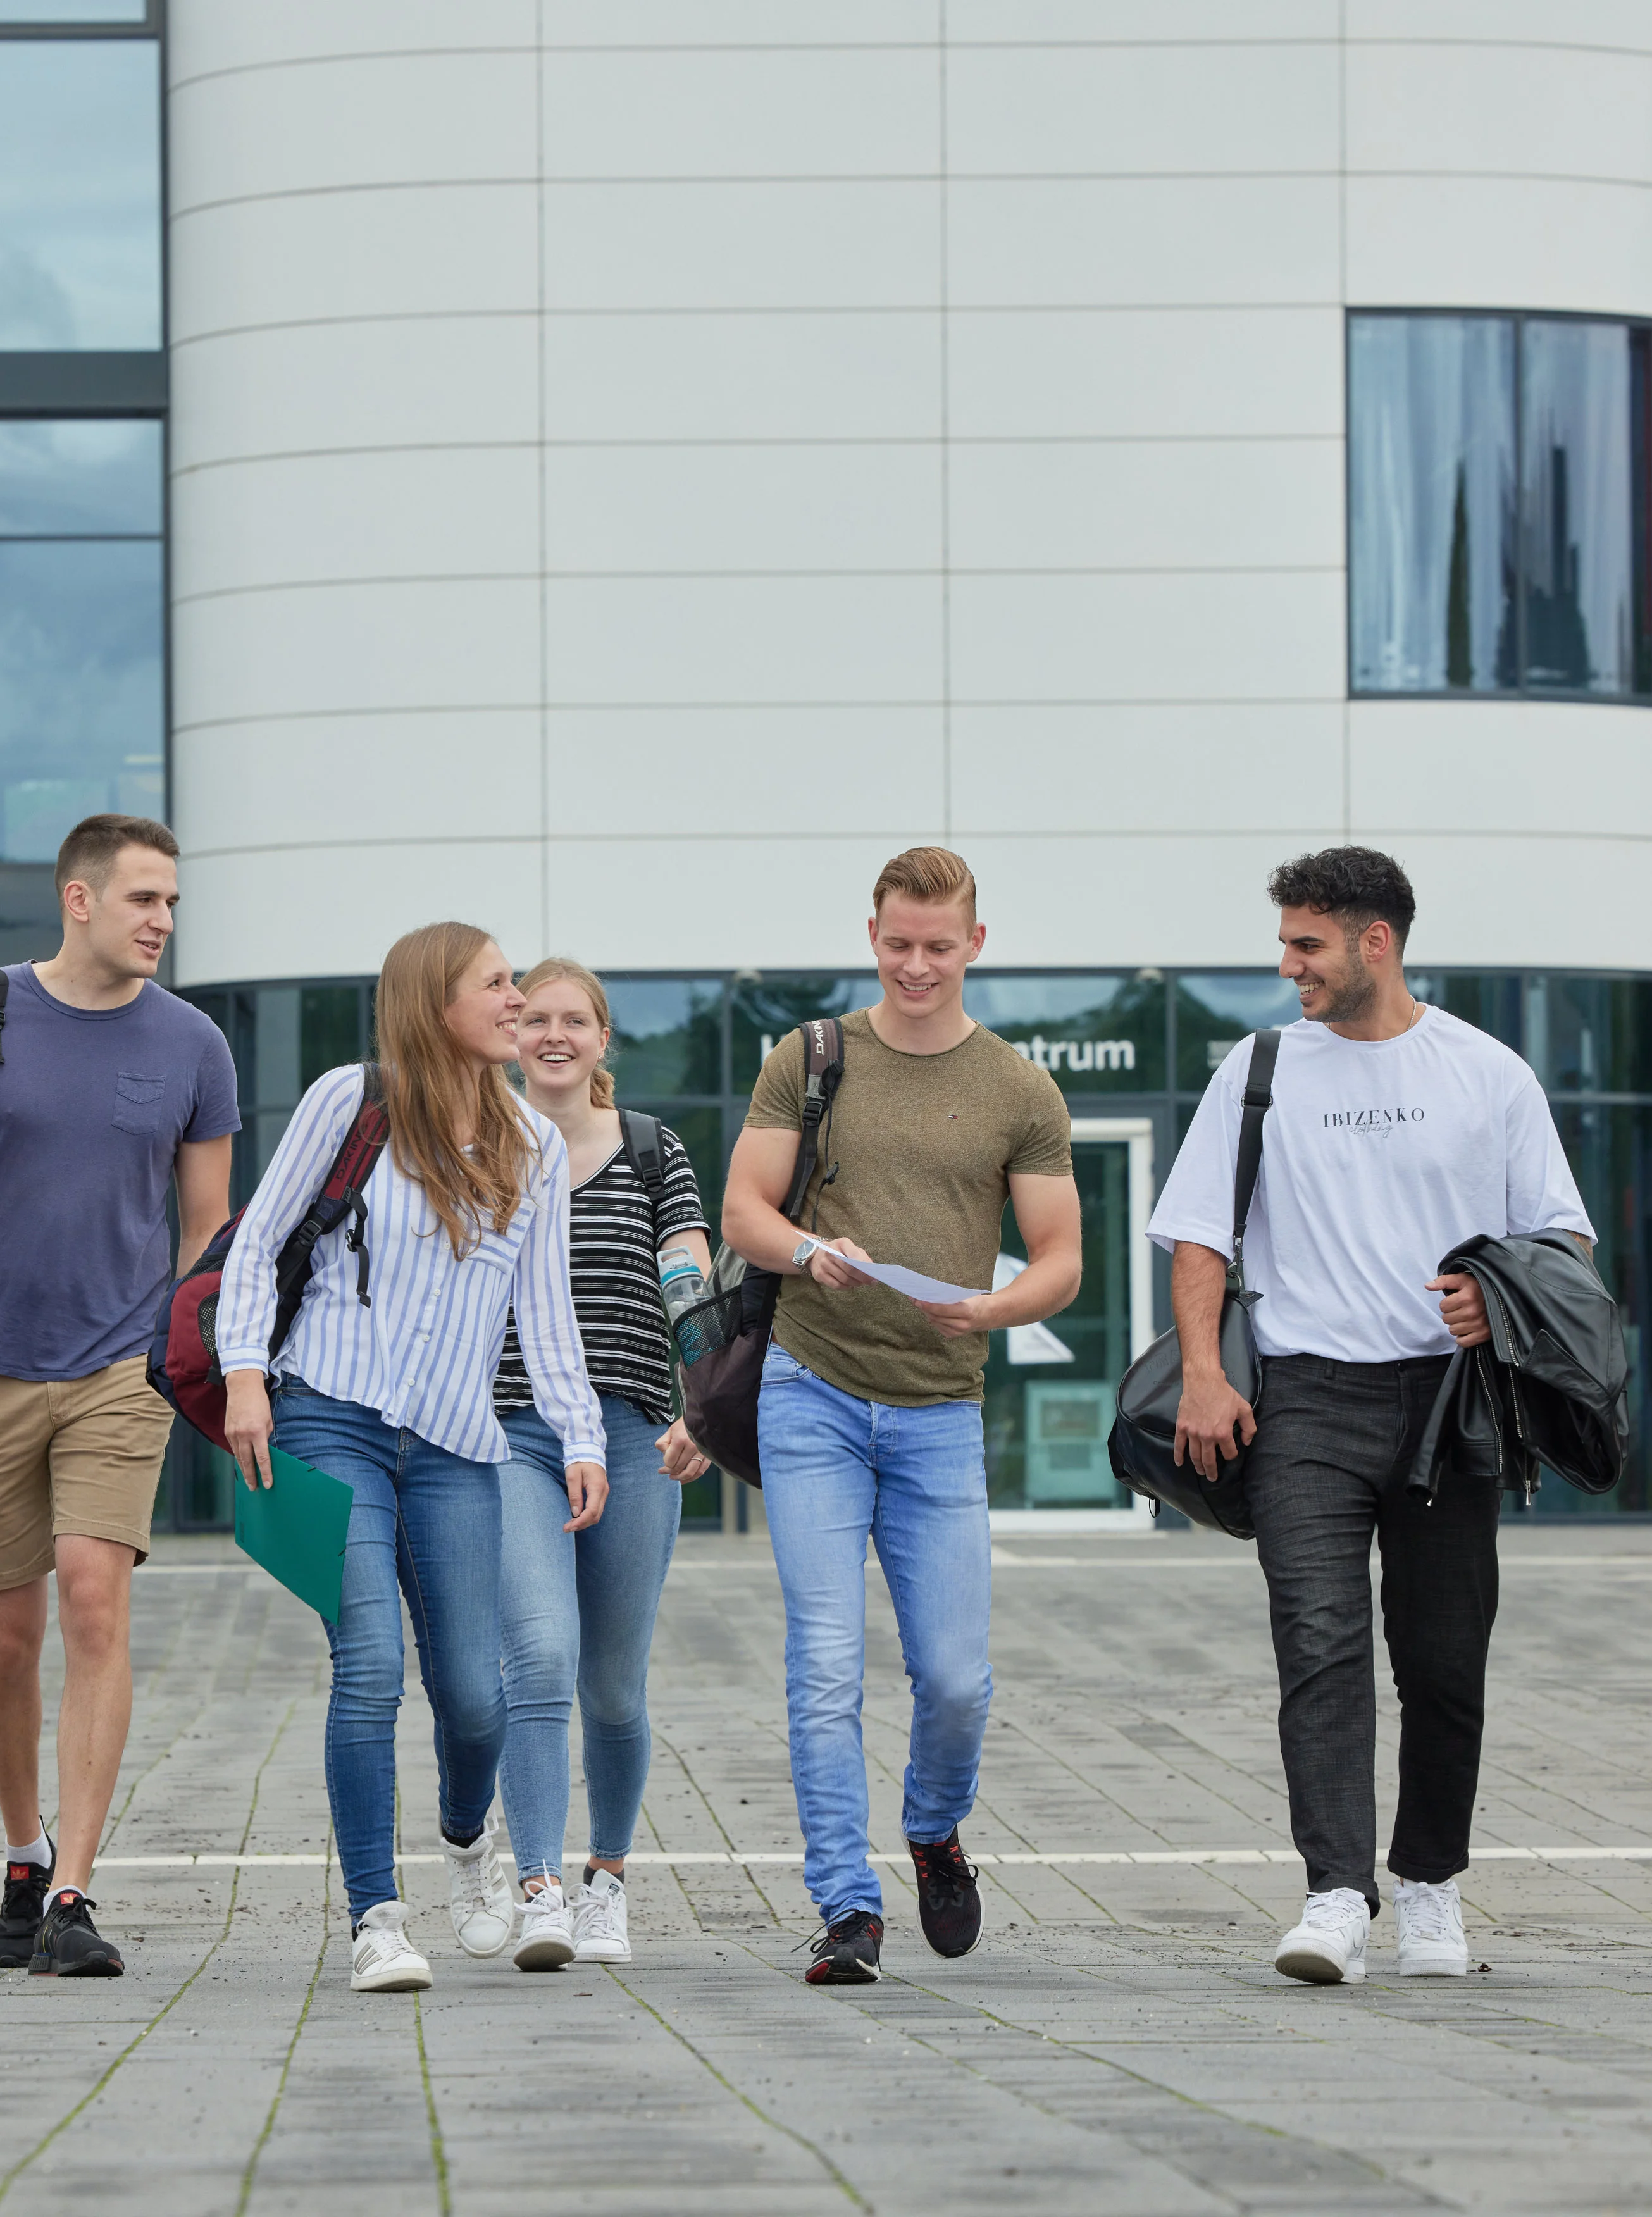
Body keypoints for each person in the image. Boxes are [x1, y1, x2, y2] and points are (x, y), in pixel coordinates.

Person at [1154, 847, 1593, 1987]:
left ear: (1375, 943)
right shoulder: (1257, 1070)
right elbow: (1200, 1234)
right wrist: (1206, 1371)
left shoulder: (1487, 1074)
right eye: (1286, 942)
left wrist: (1497, 1298)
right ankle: (1336, 1894)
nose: (1289, 964)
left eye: (1308, 944)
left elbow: (1562, 1238)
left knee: (1444, 1660)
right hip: (1306, 1399)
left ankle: (1430, 1887)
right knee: (1321, 1643)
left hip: (1453, 1405)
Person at [0, 815, 239, 1978]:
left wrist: (192, 1353)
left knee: (93, 1599)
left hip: (120, 1369)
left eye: (171, 902)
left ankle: (72, 1888)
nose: (161, 921)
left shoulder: (195, 1045)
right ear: (79, 901)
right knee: (8, 1638)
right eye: (142, 901)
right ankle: (22, 1851)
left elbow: (208, 1228)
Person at [218, 924, 609, 1994]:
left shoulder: (533, 1144)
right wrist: (245, 1371)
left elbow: (548, 1312)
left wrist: (579, 1434)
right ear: (436, 1002)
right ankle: (375, 1920)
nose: (518, 997)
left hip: (455, 1446)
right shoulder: (350, 1102)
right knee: (371, 1668)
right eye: (495, 982)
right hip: (329, 1419)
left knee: (474, 1700)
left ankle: (466, 1840)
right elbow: (258, 1242)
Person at [720, 847, 1081, 1988]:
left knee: (958, 1678)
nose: (916, 964)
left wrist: (998, 1306)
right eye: (897, 943)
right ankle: (847, 1906)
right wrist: (808, 1251)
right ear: (871, 935)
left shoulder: (1021, 1089)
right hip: (810, 1393)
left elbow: (1065, 1262)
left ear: (978, 943)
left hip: (938, 1412)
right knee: (824, 1666)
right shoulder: (811, 1056)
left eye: (938, 945)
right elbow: (744, 1212)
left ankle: (933, 1827)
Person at [490, 959, 715, 1965]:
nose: (552, 1035)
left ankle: (605, 1884)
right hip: (506, 1435)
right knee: (536, 1653)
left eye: (573, 1020)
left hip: (630, 1432)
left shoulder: (653, 1150)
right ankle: (537, 1883)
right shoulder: (474, 1147)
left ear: (602, 1040)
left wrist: (705, 1400)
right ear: (509, 1031)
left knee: (614, 1686)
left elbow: (690, 1279)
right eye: (533, 1017)